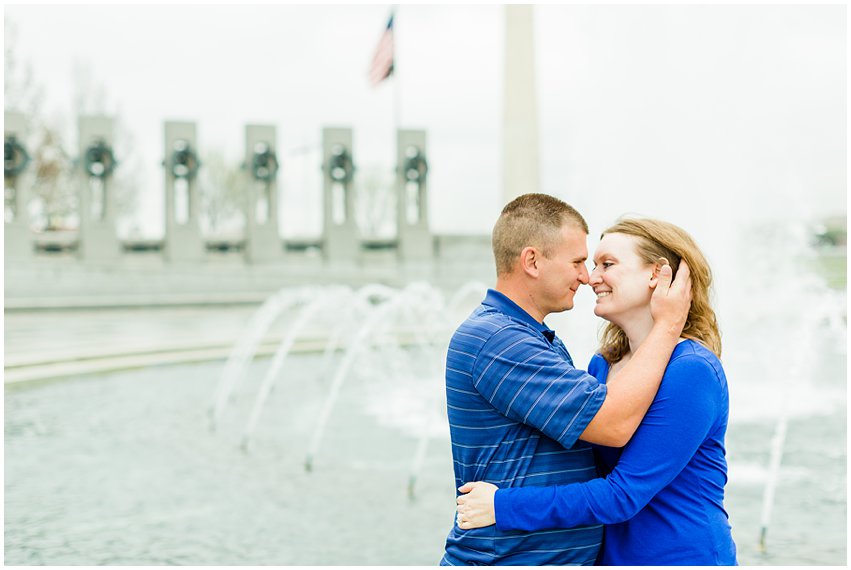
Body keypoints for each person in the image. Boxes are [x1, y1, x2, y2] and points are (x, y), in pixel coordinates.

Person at [455, 217, 738, 565]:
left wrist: (502, 506)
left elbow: (622, 495)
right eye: (590, 265)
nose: (591, 278)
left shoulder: (692, 370)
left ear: (657, 274)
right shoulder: (601, 366)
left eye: (608, 264)